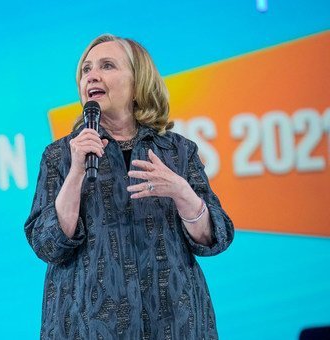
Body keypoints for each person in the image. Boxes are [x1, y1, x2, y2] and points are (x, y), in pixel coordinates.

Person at [24, 34, 234, 339]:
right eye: (86, 69)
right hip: (86, 325)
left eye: (107, 66)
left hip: (174, 322)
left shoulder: (177, 151)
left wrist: (181, 192)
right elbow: (47, 245)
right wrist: (76, 174)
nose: (92, 75)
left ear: (138, 83)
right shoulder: (60, 155)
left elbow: (216, 238)